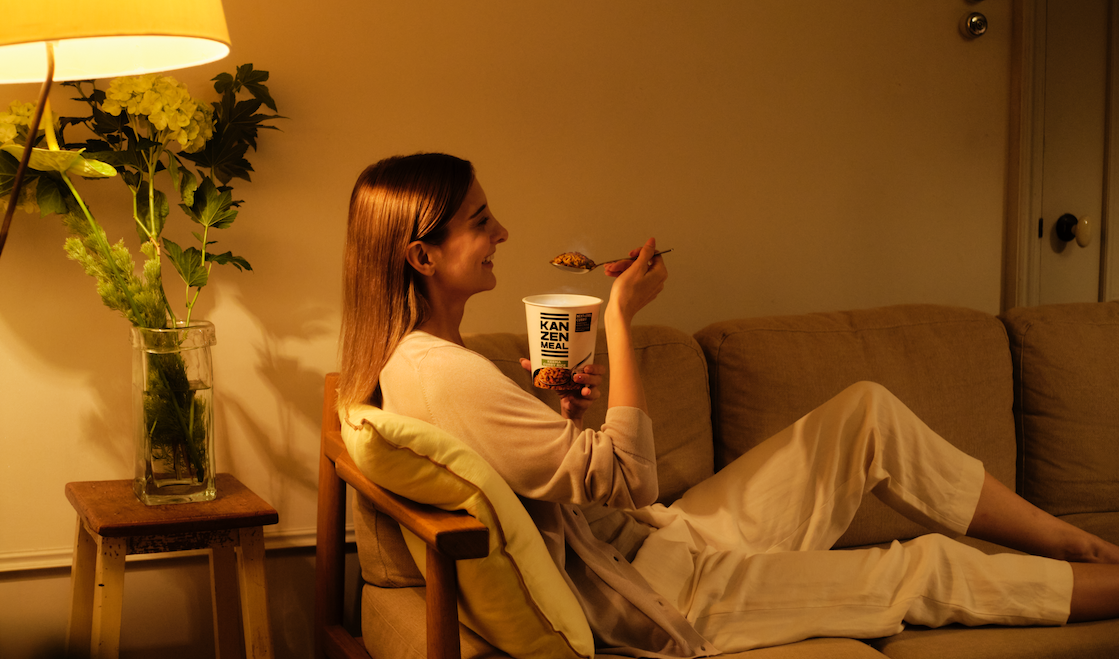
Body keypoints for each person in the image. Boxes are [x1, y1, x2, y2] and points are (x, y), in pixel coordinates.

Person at [338, 152, 1119, 656]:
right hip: (668, 594)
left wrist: (566, 415)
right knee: (921, 568)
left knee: (865, 415)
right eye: (481, 221)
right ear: (422, 255)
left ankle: (1070, 539)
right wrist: (619, 319)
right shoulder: (445, 374)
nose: (502, 230)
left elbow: (567, 482)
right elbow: (629, 477)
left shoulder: (424, 362)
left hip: (660, 539)